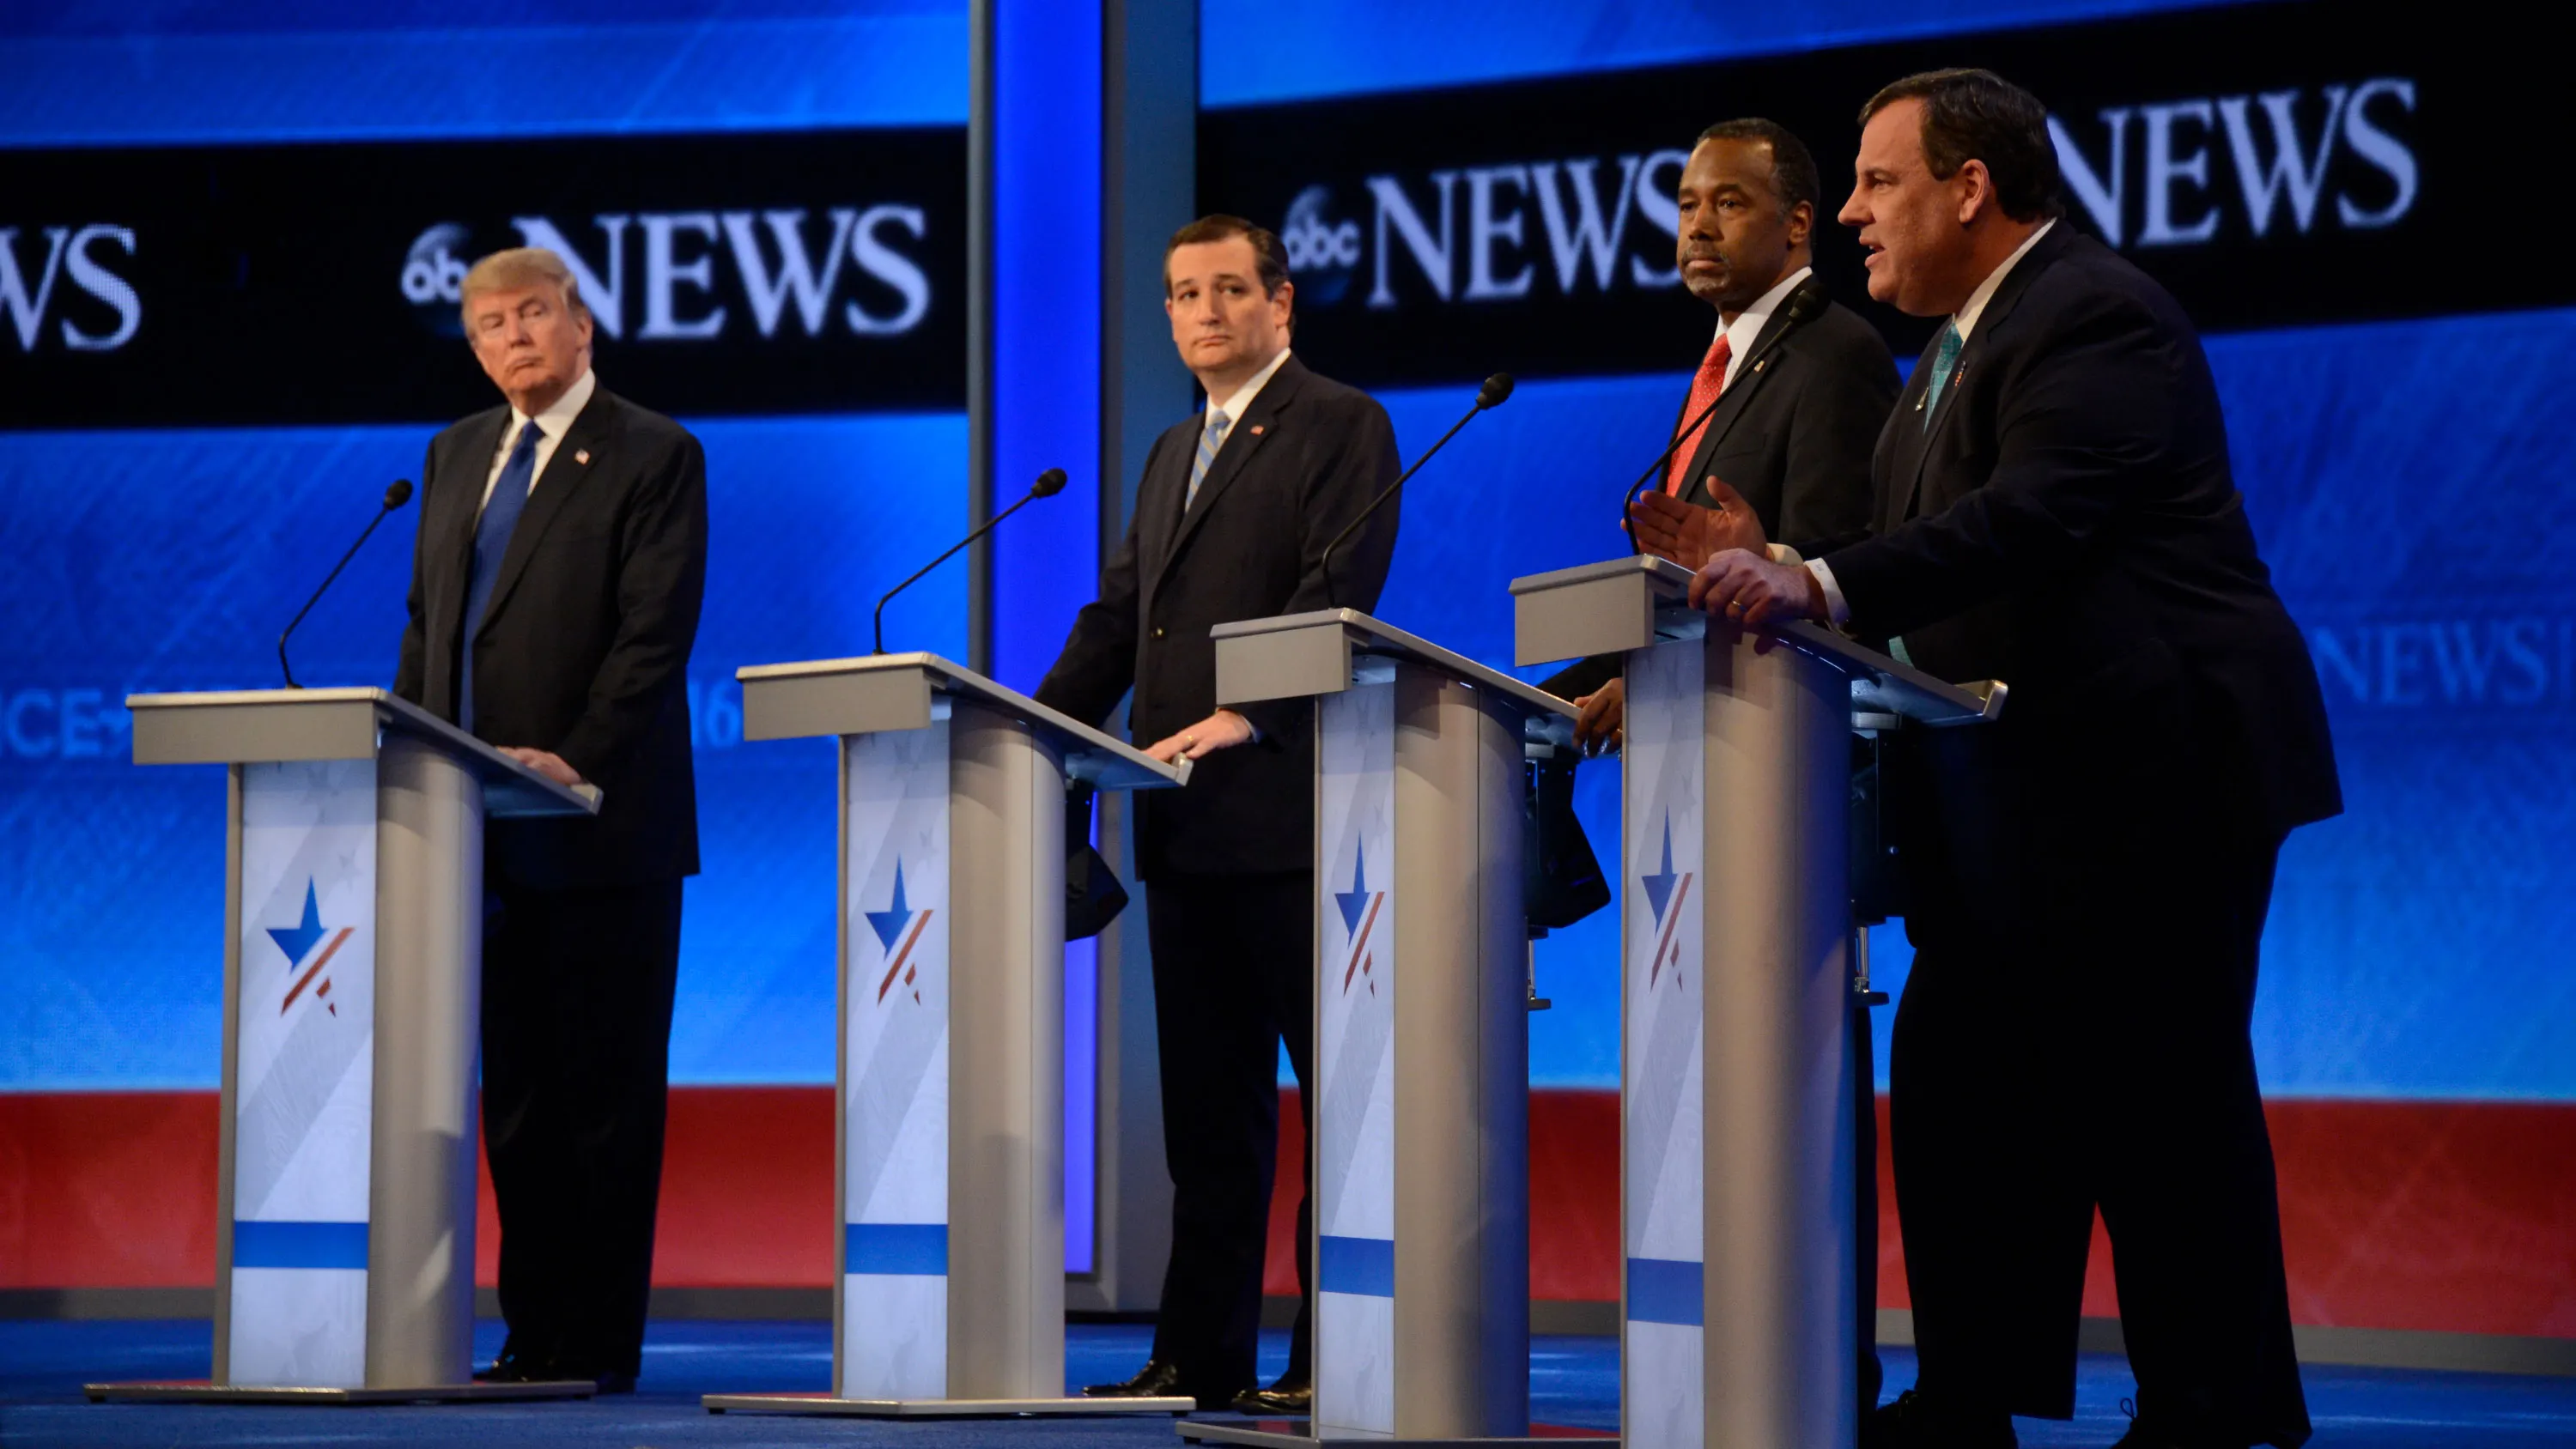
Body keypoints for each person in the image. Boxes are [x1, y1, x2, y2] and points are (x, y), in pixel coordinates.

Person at [1688, 68, 2339, 1449]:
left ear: (1969, 188)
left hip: (2152, 770)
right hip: (2014, 788)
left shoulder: (2090, 312)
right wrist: (1790, 557)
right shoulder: (1955, 350)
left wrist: (1815, 579)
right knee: (1967, 1086)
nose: (1855, 215)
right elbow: (1921, 557)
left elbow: (2032, 518)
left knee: (2159, 1099)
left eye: (1878, 182)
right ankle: (1972, 1392)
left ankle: (2212, 1409)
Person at [1036, 215, 1402, 1415]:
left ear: (1279, 303)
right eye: (1181, 292)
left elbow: (1334, 593)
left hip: (1293, 817)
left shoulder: (1341, 422)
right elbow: (1121, 614)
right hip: (1181, 822)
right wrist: (1034, 727)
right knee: (1210, 1117)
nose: (1202, 312)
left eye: (1228, 289)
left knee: (1340, 1102)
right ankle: (1202, 1356)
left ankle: (1334, 1357)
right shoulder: (1168, 448)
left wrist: (1250, 714)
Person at [392, 246, 708, 1395]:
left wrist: (573, 758)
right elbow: (432, 632)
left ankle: (597, 1341)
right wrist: (405, 767)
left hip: (599, 827)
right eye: (490, 324)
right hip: (471, 834)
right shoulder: (454, 453)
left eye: (535, 313)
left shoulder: (653, 451)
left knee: (603, 1096)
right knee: (517, 1095)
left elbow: (651, 634)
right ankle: (532, 1335)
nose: (514, 336)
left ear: (583, 325)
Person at [1546, 118, 1894, 755]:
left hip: (1786, 754)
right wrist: (1538, 703)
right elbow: (1687, 589)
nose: (1699, 225)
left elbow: (1835, 574)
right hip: (1700, 749)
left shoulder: (1836, 354)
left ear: (1797, 223)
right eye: (1687, 206)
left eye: (1729, 203)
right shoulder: (1725, 363)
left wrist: (1658, 683)